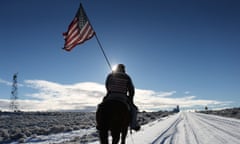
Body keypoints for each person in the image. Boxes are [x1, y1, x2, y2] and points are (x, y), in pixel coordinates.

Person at [102, 64, 140, 131]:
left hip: (111, 96)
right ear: (124, 69)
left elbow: (107, 86)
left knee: (101, 107)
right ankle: (133, 125)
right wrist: (130, 99)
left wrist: (109, 92)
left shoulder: (110, 75)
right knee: (134, 109)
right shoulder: (127, 77)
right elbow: (131, 90)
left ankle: (100, 124)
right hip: (123, 96)